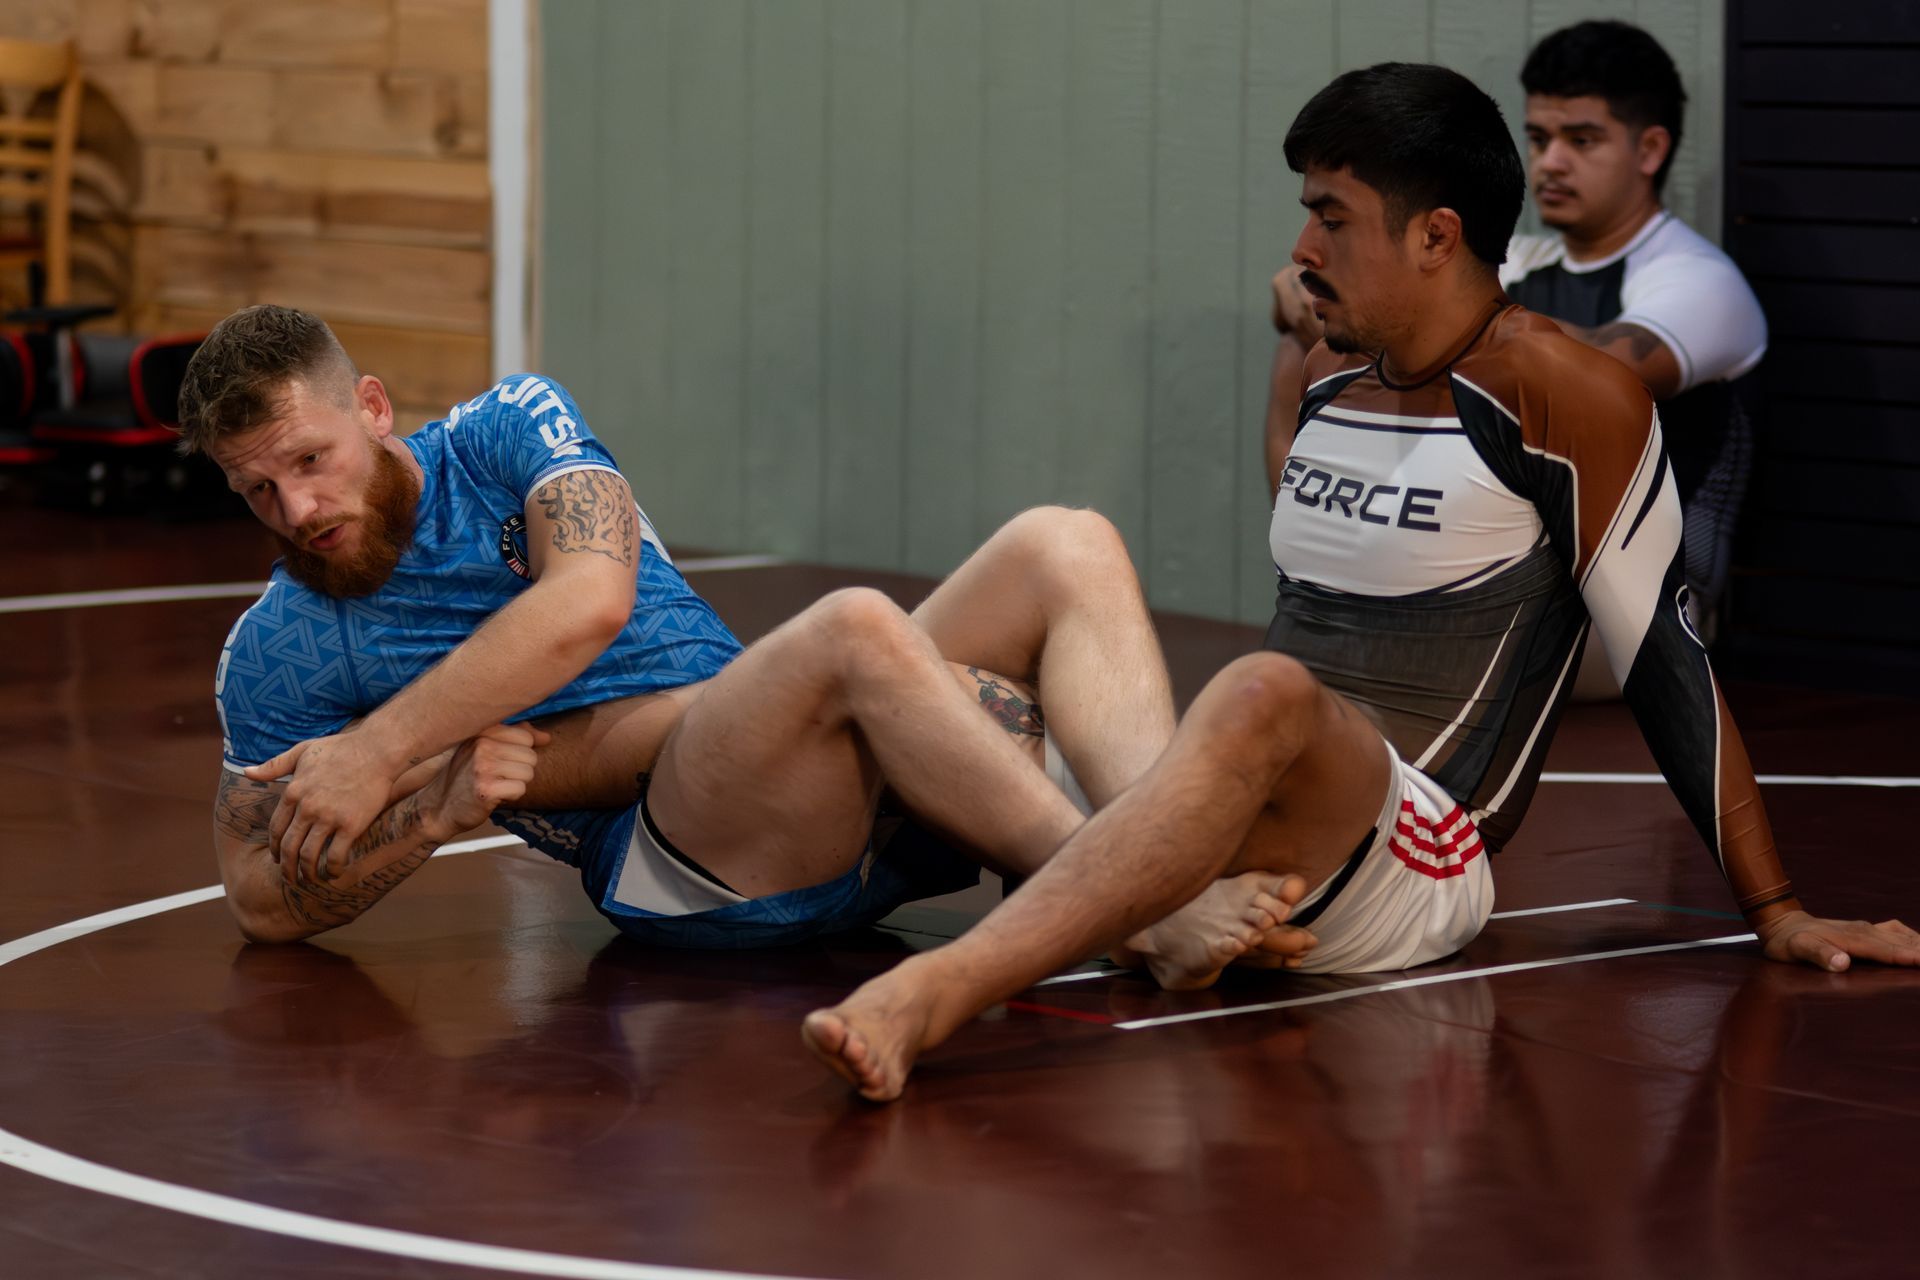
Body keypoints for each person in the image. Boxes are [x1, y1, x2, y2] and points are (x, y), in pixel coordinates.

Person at [803, 63, 1917, 1102]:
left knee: (1257, 689)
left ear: (1436, 235)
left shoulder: (1570, 394)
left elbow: (1668, 659)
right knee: (1038, 585)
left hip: (1422, 847)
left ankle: (940, 988)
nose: (1302, 246)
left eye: (1331, 215)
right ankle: (817, 883)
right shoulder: (1327, 367)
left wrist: (1775, 907)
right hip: (1275, 794)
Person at [188, 306, 1302, 982]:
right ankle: (1135, 905)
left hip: (773, 753)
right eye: (256, 491)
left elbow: (589, 602)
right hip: (688, 866)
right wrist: (430, 816)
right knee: (854, 632)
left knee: (1066, 542)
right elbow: (258, 899)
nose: (296, 508)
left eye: (309, 459)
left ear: (371, 407)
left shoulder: (507, 424)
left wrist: (384, 752)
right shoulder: (280, 647)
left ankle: (1163, 851)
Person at [1272, 21, 1764, 656]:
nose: (1551, 161)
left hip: (1647, 598)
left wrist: (1379, 301)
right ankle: (1323, 568)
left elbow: (1590, 368)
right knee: (1311, 346)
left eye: (1581, 140)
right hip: (1498, 560)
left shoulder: (1699, 280)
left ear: (1649, 150)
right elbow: (1317, 293)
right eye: (1539, 137)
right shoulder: (1521, 262)